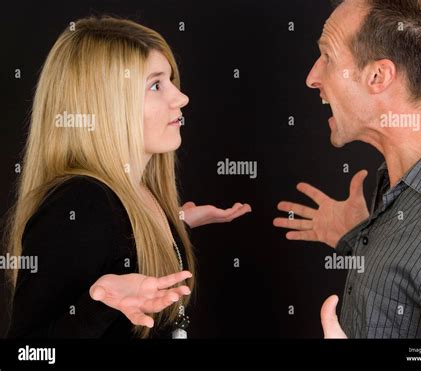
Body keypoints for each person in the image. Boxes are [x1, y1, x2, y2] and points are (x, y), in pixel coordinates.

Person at [4, 16, 251, 339]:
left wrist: (174, 221)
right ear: (105, 105)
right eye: (155, 85)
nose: (180, 98)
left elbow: (115, 239)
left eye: (171, 80)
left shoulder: (136, 193)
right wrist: (98, 306)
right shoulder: (79, 205)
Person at [274, 0, 421, 338]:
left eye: (327, 58)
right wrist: (362, 239)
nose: (312, 77)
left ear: (378, 76)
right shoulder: (414, 189)